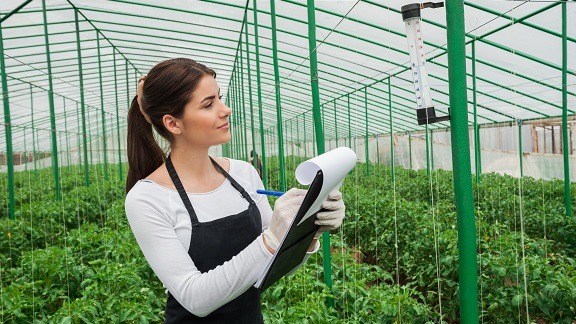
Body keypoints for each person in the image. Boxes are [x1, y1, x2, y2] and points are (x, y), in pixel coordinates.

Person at [124, 58, 346, 323]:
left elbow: (274, 268)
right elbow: (195, 298)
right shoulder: (147, 198)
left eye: (220, 98)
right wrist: (270, 239)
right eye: (208, 104)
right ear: (173, 124)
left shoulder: (244, 174)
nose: (225, 109)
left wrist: (308, 228)